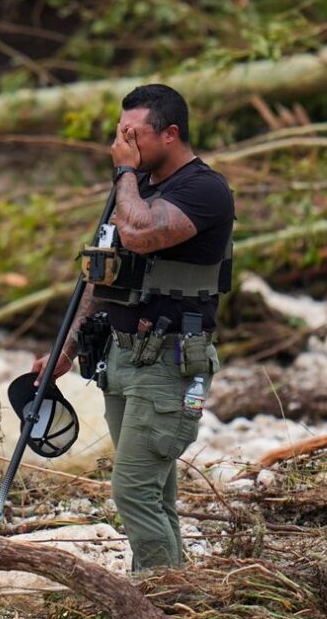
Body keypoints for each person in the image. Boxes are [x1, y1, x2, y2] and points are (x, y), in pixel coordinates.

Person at [32, 83, 234, 571]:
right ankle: (177, 593)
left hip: (169, 364)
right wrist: (68, 347)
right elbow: (100, 275)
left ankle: (155, 596)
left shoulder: (205, 189)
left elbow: (141, 234)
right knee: (155, 493)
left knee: (133, 489)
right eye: (119, 133)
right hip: (122, 358)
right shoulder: (135, 189)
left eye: (132, 134)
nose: (121, 144)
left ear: (170, 134)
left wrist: (124, 172)